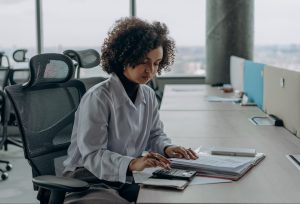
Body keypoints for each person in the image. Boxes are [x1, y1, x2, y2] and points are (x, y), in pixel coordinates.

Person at [63, 17, 198, 204]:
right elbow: (92, 155)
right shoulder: (99, 97)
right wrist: (133, 163)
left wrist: (167, 148)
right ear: (125, 57)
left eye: (157, 63)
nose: (151, 70)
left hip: (125, 177)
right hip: (88, 179)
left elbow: (154, 135)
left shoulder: (148, 95)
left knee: (172, 195)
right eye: (144, 61)